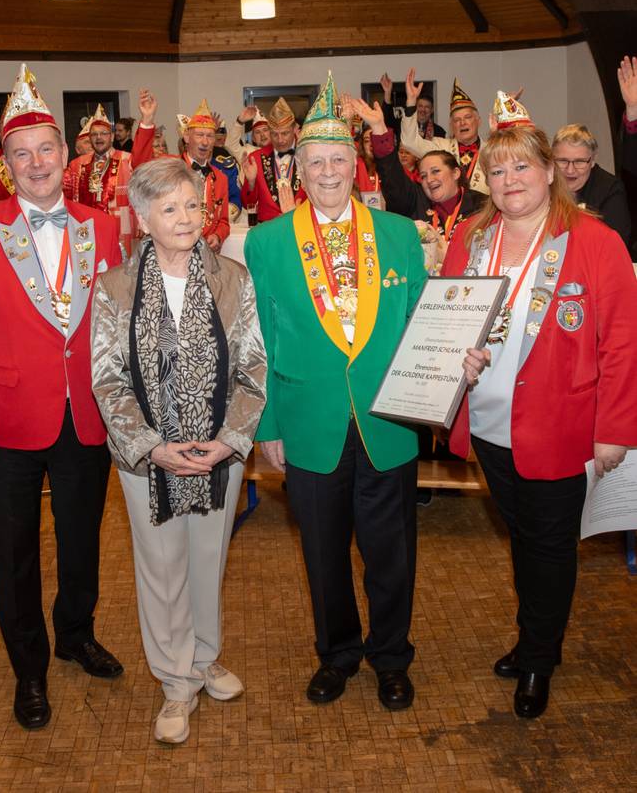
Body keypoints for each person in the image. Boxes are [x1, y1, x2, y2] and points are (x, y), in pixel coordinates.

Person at [245, 72, 487, 715]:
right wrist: (268, 424)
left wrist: (446, 373)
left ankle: (391, 656)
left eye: (338, 160)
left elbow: (421, 326)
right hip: (307, 421)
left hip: (389, 420)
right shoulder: (266, 242)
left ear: (356, 166)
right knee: (322, 554)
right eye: (316, 162)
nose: (328, 172)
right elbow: (259, 338)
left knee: (392, 552)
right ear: (299, 169)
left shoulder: (399, 234)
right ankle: (337, 654)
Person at [0, 65, 124, 731]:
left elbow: (114, 324)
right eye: (22, 154)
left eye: (47, 149)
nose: (38, 163)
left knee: (81, 541)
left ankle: (75, 633)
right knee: (14, 552)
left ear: (64, 152)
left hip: (85, 412)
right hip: (6, 417)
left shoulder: (101, 227)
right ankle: (29, 667)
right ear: (6, 164)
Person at [442, 117, 637, 719]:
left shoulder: (595, 241)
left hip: (561, 422)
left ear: (551, 171)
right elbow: (446, 320)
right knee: (523, 536)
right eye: (497, 170)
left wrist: (614, 429)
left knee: (549, 545)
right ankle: (535, 636)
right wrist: (454, 358)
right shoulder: (471, 239)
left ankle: (538, 660)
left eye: (522, 165)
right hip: (488, 422)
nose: (510, 179)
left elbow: (623, 343)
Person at [90, 158, 266, 744]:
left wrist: (229, 441)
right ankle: (175, 680)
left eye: (192, 204)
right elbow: (107, 380)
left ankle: (204, 657)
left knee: (208, 560)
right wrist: (151, 448)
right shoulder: (115, 287)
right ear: (143, 219)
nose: (186, 217)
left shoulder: (231, 278)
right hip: (149, 460)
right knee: (163, 569)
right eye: (169, 208)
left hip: (219, 453)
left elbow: (253, 367)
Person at [350, 97, 484, 272]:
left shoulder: (482, 206)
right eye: (423, 175)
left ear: (456, 173)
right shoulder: (416, 200)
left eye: (436, 171)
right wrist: (379, 129)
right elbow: (392, 176)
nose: (429, 179)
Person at [132, 91, 231, 252]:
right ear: (186, 137)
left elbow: (224, 221)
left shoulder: (220, 178)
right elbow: (139, 164)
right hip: (171, 249)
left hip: (205, 254)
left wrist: (218, 236)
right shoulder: (170, 165)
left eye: (210, 136)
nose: (205, 142)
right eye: (199, 135)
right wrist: (147, 120)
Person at [63, 103, 134, 253]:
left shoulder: (127, 160)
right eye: (94, 134)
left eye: (103, 133)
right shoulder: (77, 164)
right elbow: (63, 192)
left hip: (120, 227)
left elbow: (141, 195)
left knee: (119, 266)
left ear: (112, 136)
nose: (99, 138)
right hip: (87, 231)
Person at [402, 70, 488, 193]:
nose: (462, 123)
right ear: (451, 126)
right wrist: (411, 102)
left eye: (467, 117)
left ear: (479, 121)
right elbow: (409, 142)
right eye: (457, 120)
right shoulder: (440, 147)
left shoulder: (491, 150)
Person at [551, 123, 630, 247]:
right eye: (562, 161)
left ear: (592, 161)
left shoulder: (610, 189)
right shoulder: (543, 183)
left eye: (579, 162)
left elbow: (616, 244)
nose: (570, 170)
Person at [240, 97, 306, 222]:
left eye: (285, 133)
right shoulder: (256, 158)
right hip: (267, 227)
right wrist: (251, 182)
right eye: (275, 134)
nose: (280, 140)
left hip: (300, 224)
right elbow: (247, 204)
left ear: (294, 129)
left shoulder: (308, 155)